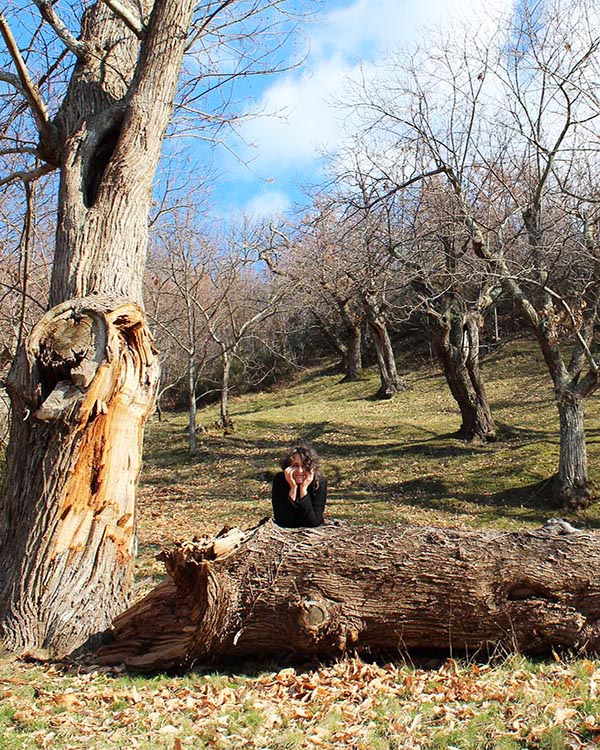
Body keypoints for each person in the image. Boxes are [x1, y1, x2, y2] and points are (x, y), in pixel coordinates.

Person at [271, 444, 327, 528]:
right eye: (295, 466)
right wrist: (293, 489)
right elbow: (282, 521)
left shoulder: (319, 482)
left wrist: (303, 490)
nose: (300, 471)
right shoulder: (280, 480)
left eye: (304, 466)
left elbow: (313, 522)